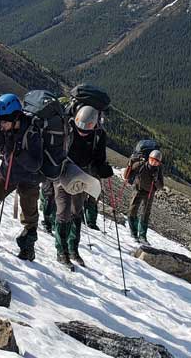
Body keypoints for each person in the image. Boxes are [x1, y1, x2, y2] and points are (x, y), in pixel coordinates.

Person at [0, 93, 44, 261]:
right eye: (0, 121)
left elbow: (36, 165)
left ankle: (27, 249)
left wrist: (18, 154)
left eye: (4, 121)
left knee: (29, 216)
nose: (1, 125)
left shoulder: (32, 133)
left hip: (29, 178)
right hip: (8, 173)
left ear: (15, 117)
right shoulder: (5, 127)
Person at [54, 105, 113, 268]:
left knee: (76, 212)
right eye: (80, 128)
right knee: (63, 211)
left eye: (86, 129)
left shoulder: (99, 135)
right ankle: (62, 251)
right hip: (63, 172)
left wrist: (103, 169)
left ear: (94, 125)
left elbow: (98, 159)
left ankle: (73, 250)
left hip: (83, 176)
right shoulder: (68, 128)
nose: (82, 132)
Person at [125, 149, 164, 243]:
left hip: (150, 192)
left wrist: (156, 180)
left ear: (159, 163)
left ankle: (142, 236)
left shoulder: (159, 169)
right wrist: (130, 164)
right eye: (152, 159)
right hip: (138, 189)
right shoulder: (141, 165)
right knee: (132, 210)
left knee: (145, 213)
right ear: (149, 158)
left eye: (156, 161)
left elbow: (161, 186)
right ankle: (134, 233)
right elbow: (127, 175)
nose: (153, 162)